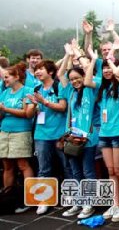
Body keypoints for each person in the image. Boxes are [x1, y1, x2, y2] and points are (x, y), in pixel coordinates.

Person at [84, 53, 119, 223]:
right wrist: (93, 61)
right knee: (110, 170)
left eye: (109, 67)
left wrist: (112, 63)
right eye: (103, 67)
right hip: (104, 133)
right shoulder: (101, 87)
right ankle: (115, 202)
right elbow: (87, 81)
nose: (106, 70)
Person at [58, 43, 99, 220]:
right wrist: (67, 56)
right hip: (71, 138)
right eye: (72, 79)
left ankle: (89, 203)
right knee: (75, 171)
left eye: (77, 78)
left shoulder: (91, 89)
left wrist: (90, 58)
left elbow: (89, 73)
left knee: (88, 171)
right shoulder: (70, 92)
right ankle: (78, 201)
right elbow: (60, 74)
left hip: (88, 138)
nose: (74, 81)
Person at [28, 60, 69, 215]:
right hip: (41, 134)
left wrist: (44, 101)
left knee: (67, 166)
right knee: (44, 168)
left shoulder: (58, 86)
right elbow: (35, 112)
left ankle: (71, 197)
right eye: (36, 70)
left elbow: (63, 107)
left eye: (41, 69)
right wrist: (35, 105)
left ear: (50, 72)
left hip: (59, 134)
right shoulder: (36, 88)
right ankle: (44, 200)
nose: (38, 72)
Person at [0, 62, 36, 214]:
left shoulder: (27, 91)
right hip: (4, 131)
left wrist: (6, 109)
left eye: (7, 77)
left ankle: (30, 198)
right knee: (7, 166)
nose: (5, 80)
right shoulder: (5, 92)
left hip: (21, 132)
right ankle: (8, 196)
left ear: (16, 77)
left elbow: (27, 113)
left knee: (22, 164)